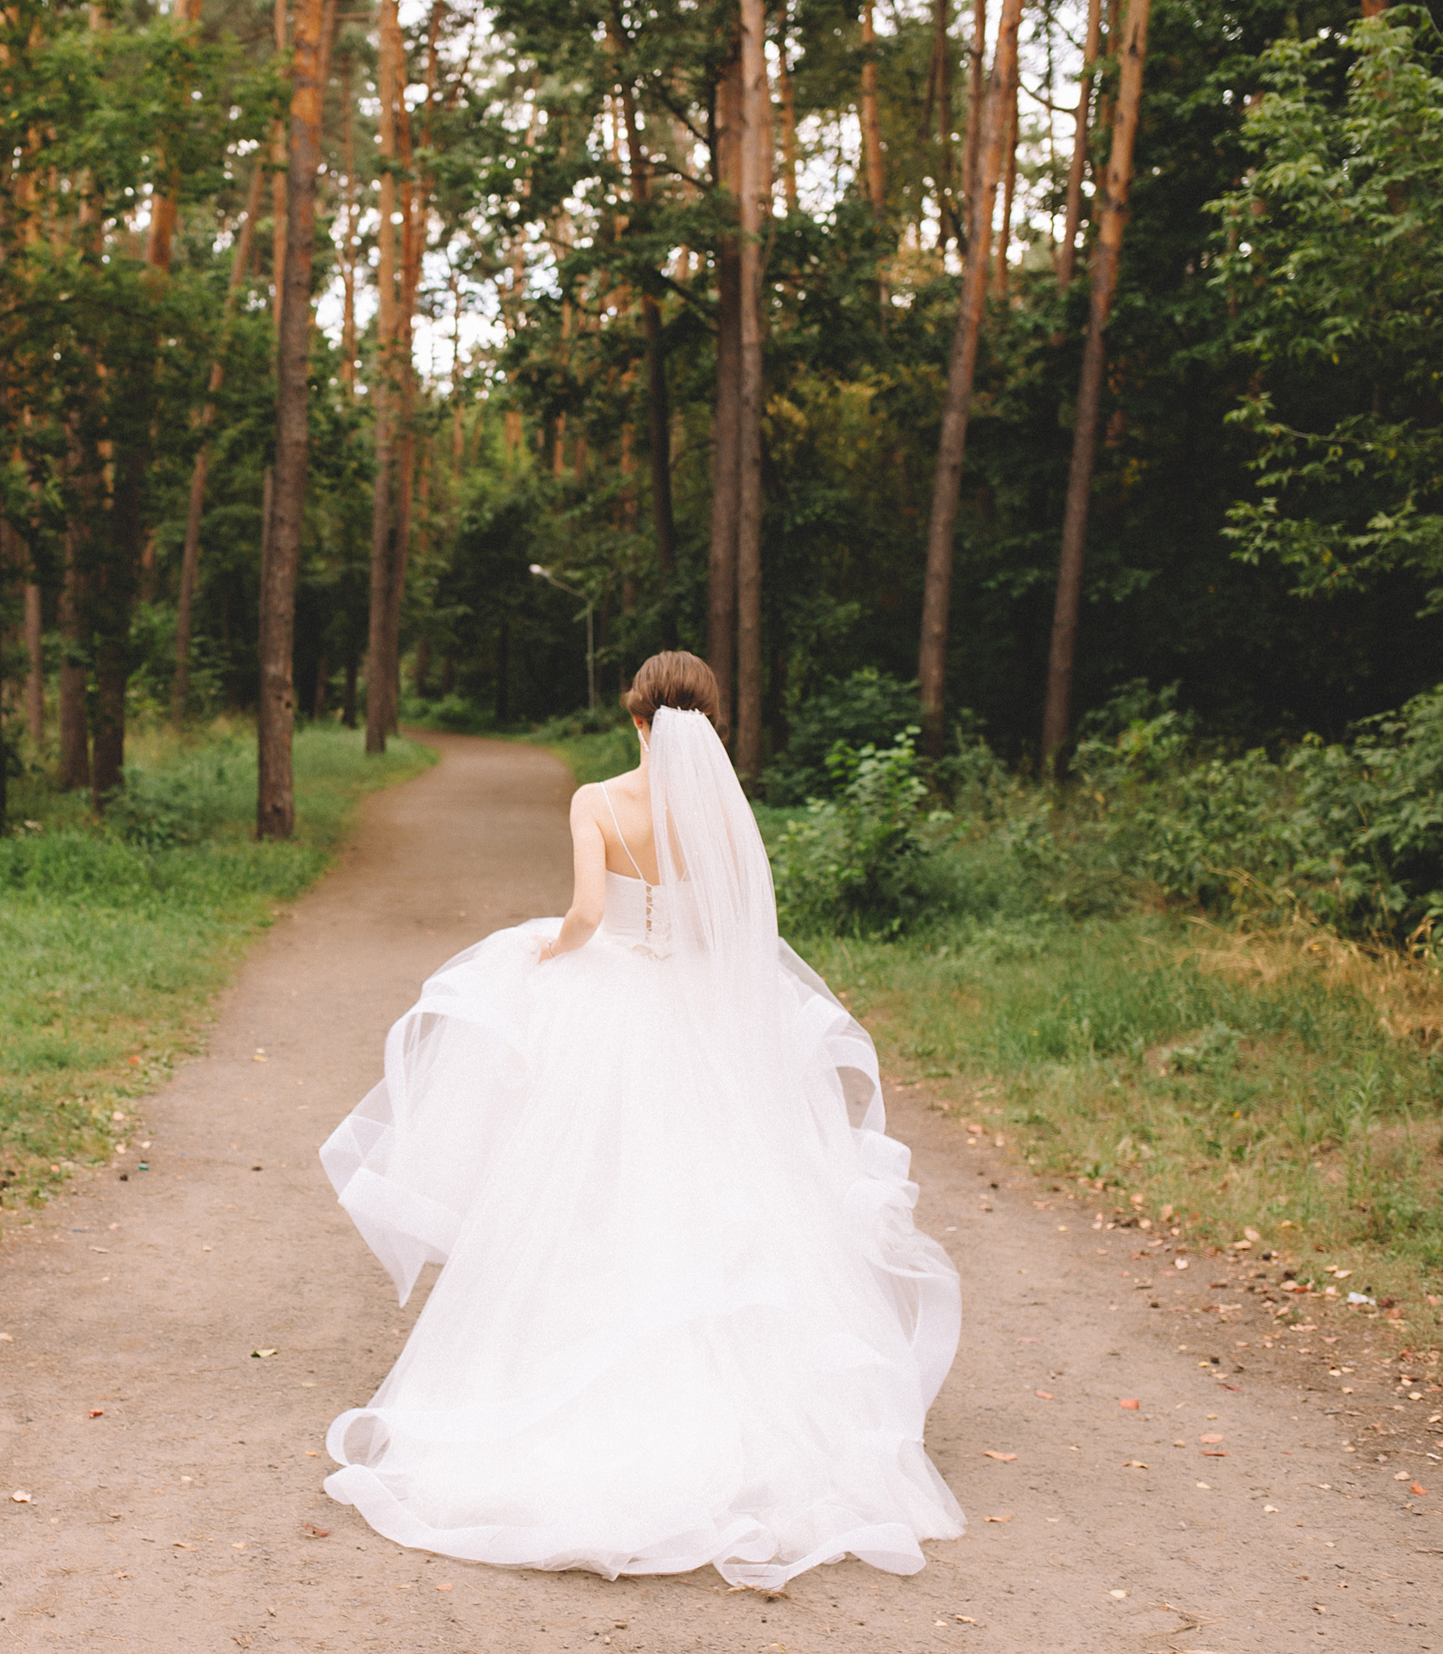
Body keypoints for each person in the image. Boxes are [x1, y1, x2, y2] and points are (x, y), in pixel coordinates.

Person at [317, 651, 963, 1588]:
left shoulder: (597, 800)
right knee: (712, 1188)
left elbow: (585, 913)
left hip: (610, 1006)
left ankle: (568, 1380)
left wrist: (550, 949)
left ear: (637, 722)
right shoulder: (724, 817)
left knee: (586, 1187)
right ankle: (740, 1407)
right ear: (710, 727)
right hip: (696, 1011)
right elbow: (736, 933)